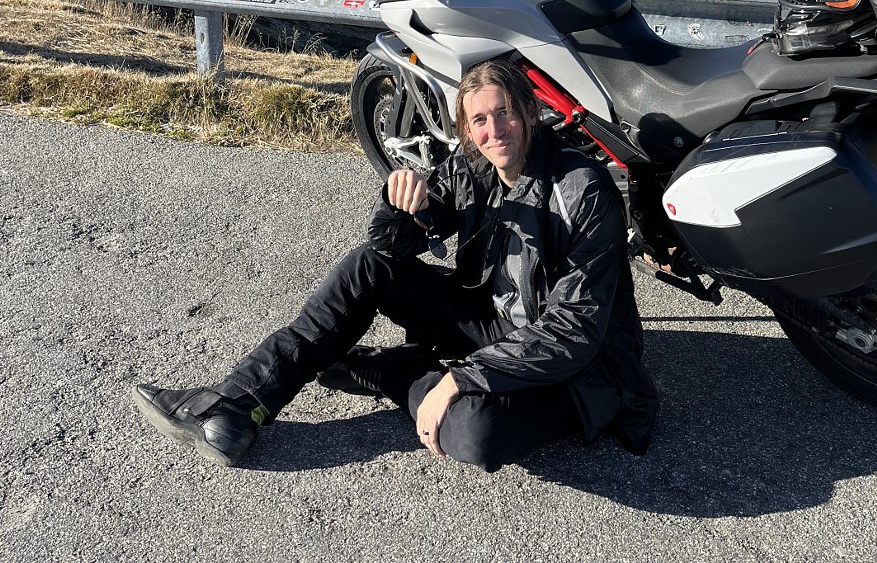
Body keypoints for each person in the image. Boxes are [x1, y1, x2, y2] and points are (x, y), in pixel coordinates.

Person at [133, 59, 658, 471]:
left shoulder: (580, 187)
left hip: (581, 368)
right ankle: (238, 403)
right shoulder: (474, 166)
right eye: (479, 120)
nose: (494, 130)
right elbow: (388, 250)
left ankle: (388, 369)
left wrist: (462, 380)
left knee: (474, 434)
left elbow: (576, 331)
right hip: (491, 322)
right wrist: (399, 202)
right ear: (467, 129)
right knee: (367, 267)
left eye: (505, 113)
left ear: (530, 113)